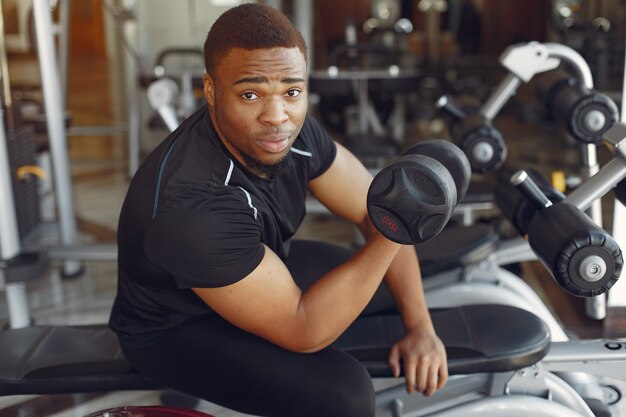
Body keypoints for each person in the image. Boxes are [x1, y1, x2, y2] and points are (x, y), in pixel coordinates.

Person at [109, 3, 447, 416]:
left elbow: (368, 210)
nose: (276, 117)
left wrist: (421, 330)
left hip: (255, 267)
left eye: (292, 91)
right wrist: (398, 227)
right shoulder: (193, 208)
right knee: (344, 395)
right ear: (211, 89)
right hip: (175, 327)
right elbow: (304, 329)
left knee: (385, 287)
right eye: (250, 94)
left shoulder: (295, 130)